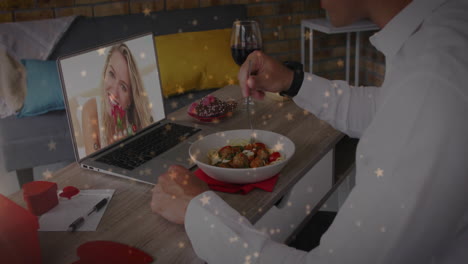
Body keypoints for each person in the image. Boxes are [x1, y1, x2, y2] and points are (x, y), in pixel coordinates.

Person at [151, 0, 468, 263]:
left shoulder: (434, 80)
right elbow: (386, 111)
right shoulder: (440, 36)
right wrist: (294, 82)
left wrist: (200, 211)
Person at [82, 43, 153, 154]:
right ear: (105, 71)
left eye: (123, 87)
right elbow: (93, 162)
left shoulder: (136, 121)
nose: (114, 93)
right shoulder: (91, 109)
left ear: (130, 100)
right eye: (111, 74)